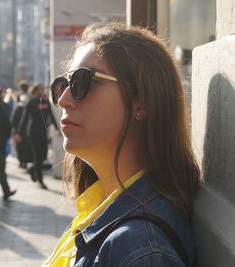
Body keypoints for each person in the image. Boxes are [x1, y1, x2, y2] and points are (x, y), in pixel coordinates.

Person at [43, 23, 200, 267]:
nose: (63, 100)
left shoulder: (140, 246)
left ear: (141, 101)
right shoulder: (99, 212)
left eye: (83, 81)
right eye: (63, 85)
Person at [15, 83, 59, 189]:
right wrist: (19, 133)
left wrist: (57, 128)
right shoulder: (31, 102)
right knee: (36, 155)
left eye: (43, 89)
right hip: (33, 132)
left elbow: (51, 115)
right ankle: (40, 180)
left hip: (43, 132)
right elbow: (24, 118)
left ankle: (32, 169)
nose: (43, 91)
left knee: (43, 155)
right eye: (41, 89)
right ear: (35, 90)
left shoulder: (45, 101)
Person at [10, 81, 32, 168]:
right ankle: (25, 161)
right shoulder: (30, 97)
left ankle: (21, 161)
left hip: (18, 124)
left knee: (19, 145)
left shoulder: (18, 98)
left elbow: (14, 113)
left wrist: (13, 126)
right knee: (26, 144)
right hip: (27, 125)